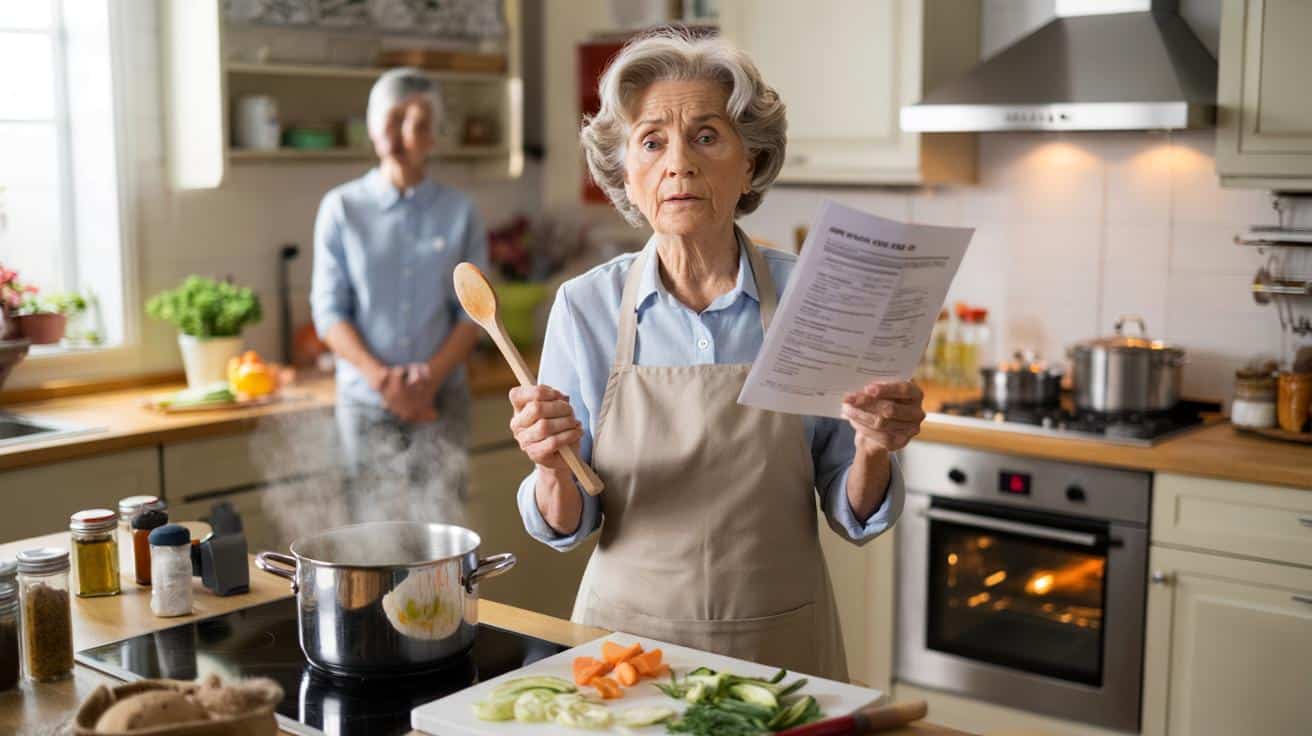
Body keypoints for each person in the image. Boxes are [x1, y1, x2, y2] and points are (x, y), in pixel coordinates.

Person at [509, 33, 927, 681]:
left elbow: (853, 512)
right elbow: (570, 522)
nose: (679, 163)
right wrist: (547, 464)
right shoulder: (586, 307)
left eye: (706, 136)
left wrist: (873, 448)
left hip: (781, 651)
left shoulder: (812, 297)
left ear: (752, 162)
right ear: (626, 172)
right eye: (652, 141)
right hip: (624, 650)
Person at [311, 68, 488, 525]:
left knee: (442, 537)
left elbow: (475, 315)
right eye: (390, 118)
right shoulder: (341, 208)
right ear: (371, 127)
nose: (400, 133)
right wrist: (385, 383)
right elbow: (329, 311)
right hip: (366, 405)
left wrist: (428, 380)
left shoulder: (459, 212)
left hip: (442, 401)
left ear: (433, 137)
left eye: (417, 122)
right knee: (370, 540)